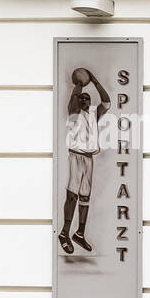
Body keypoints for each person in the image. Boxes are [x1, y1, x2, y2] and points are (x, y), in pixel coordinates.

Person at [59, 67, 110, 254]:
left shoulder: (94, 114)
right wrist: (79, 84)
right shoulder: (74, 114)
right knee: (72, 194)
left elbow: (106, 101)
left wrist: (95, 80)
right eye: (81, 98)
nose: (83, 100)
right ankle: (64, 233)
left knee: (85, 197)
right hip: (76, 155)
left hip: (89, 158)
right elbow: (74, 100)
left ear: (90, 102)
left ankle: (79, 233)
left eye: (87, 98)